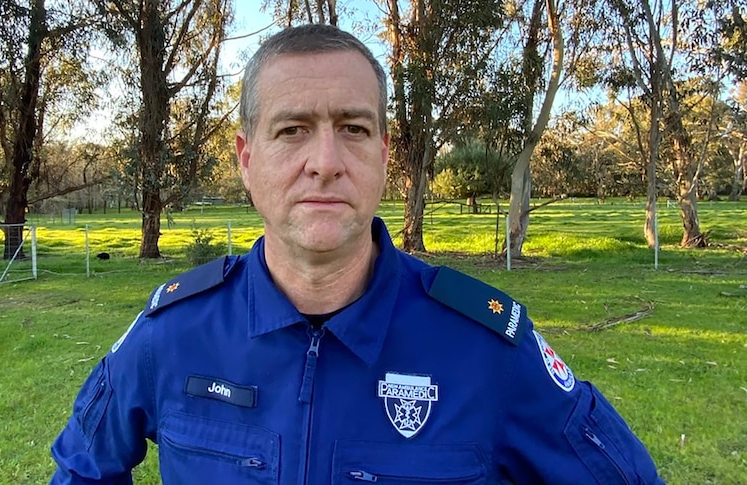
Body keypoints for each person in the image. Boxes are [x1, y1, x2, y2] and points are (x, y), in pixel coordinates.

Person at [50, 24, 664, 484]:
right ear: (245, 160)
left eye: (353, 128)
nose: (325, 161)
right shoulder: (173, 333)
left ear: (384, 154)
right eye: (292, 130)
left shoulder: (486, 348)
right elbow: (81, 467)